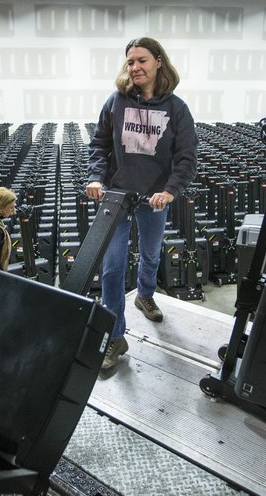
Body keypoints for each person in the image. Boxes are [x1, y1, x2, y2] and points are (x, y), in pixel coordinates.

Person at [86, 37, 198, 372]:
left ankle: (144, 294)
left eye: (142, 60)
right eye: (130, 61)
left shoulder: (176, 109)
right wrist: (95, 177)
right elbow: (100, 144)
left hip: (153, 200)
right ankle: (115, 337)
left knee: (150, 255)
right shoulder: (116, 102)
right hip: (117, 198)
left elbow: (187, 158)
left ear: (159, 62)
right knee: (111, 269)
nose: (134, 67)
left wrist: (170, 190)